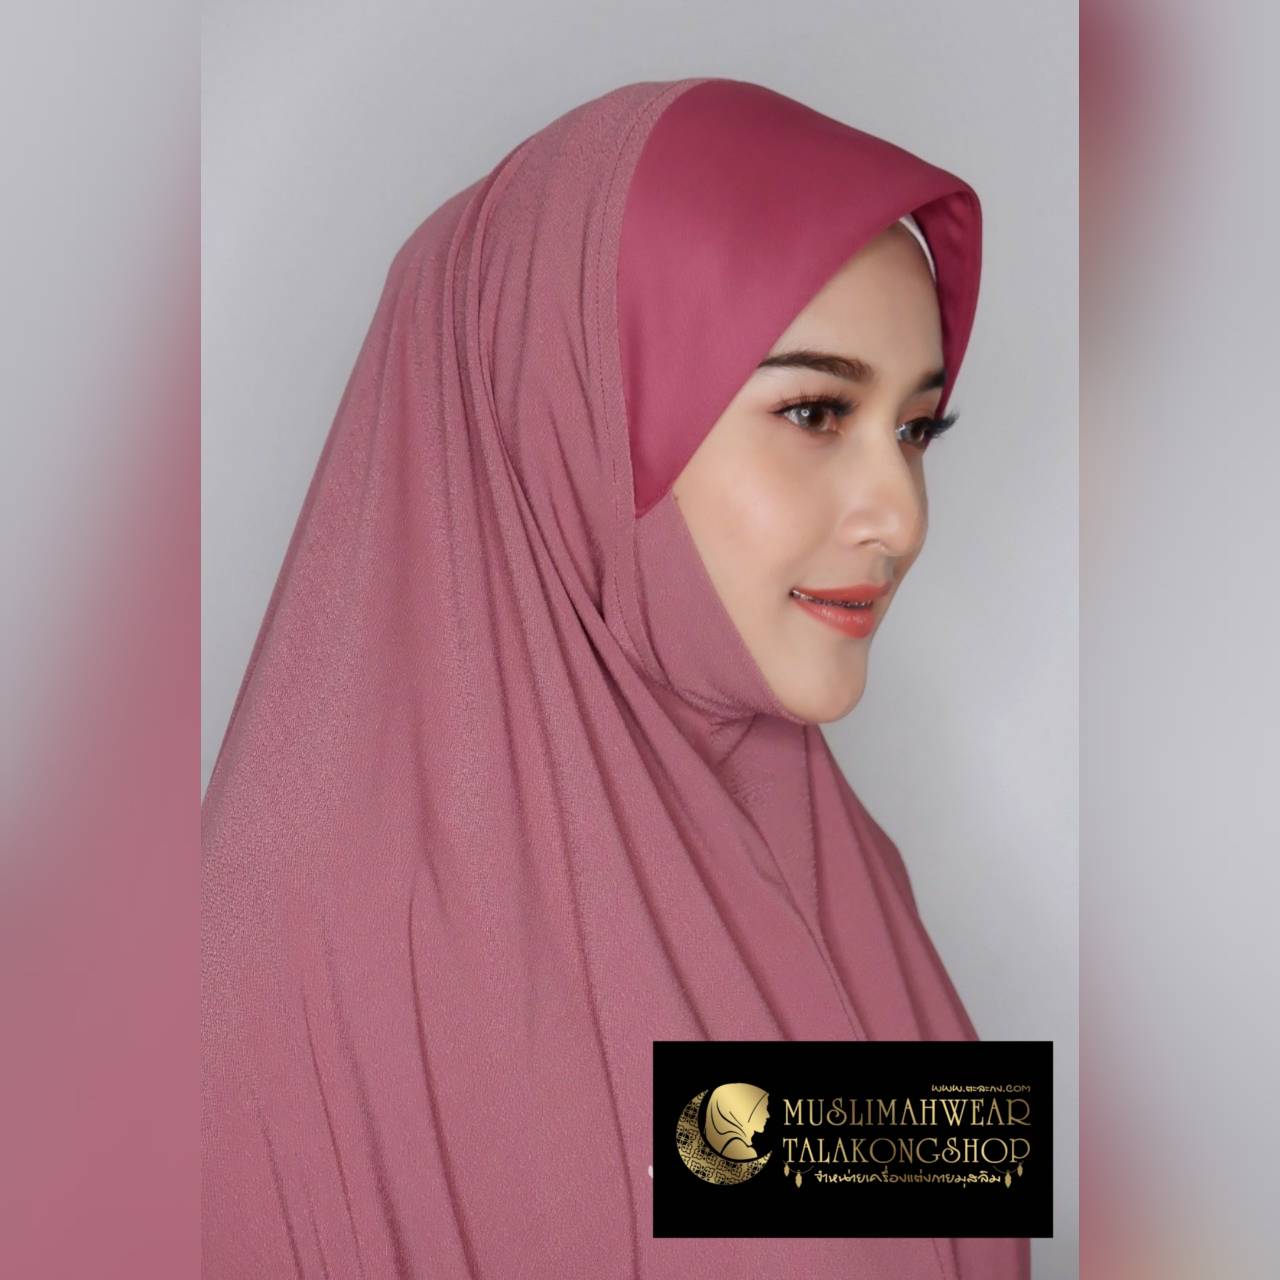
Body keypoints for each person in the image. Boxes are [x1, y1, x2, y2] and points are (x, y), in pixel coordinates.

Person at [202, 76, 1030, 1278]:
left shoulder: (841, 864)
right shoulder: (296, 973)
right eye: (813, 411)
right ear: (575, 415)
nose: (898, 515)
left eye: (914, 429)